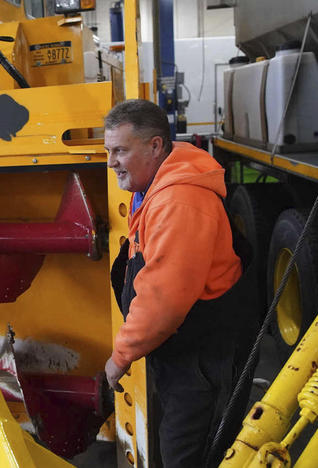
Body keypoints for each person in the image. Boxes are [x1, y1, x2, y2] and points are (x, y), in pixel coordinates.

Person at [103, 99, 253, 467]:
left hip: (204, 360)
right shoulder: (160, 184)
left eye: (120, 150)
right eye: (109, 151)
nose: (111, 163)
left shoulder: (179, 200)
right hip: (183, 354)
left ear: (155, 146)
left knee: (188, 457)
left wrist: (118, 358)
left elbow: (162, 302)